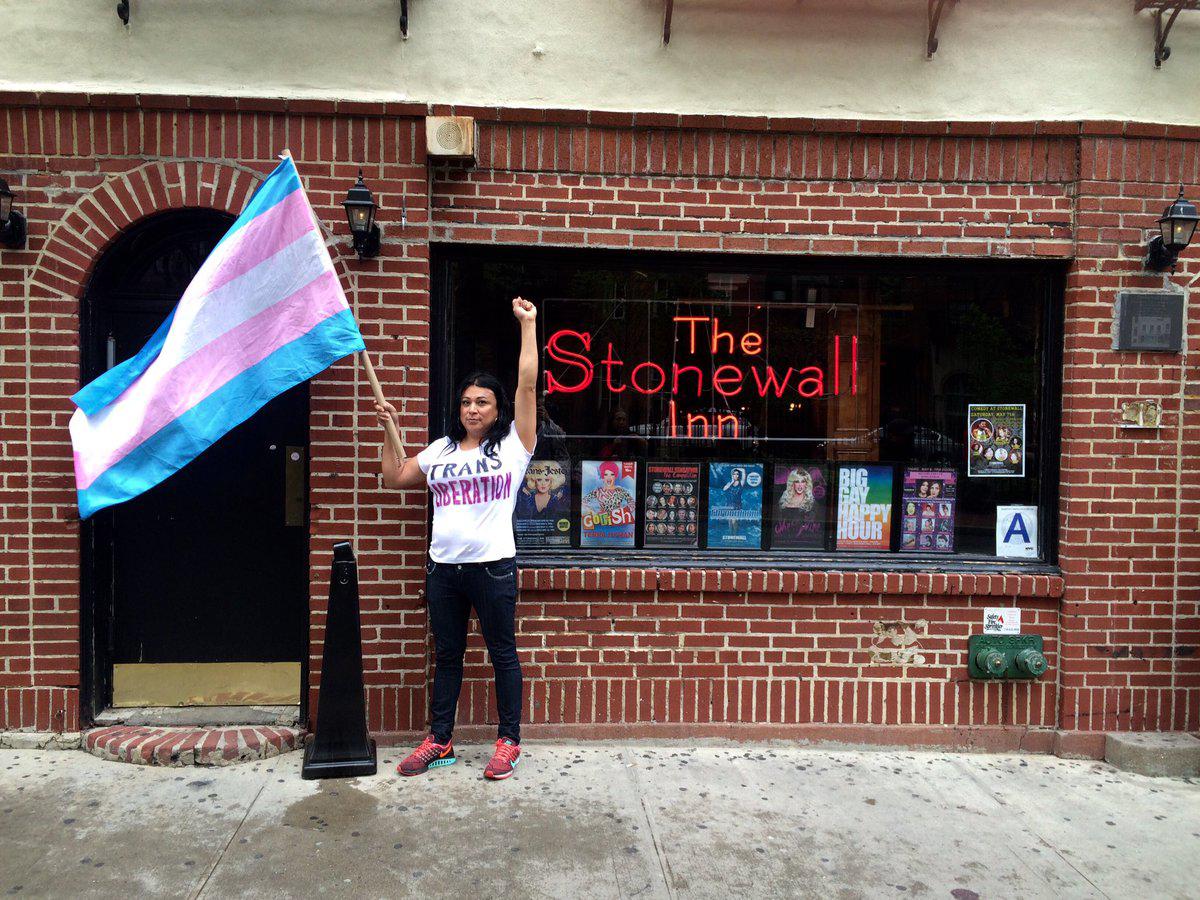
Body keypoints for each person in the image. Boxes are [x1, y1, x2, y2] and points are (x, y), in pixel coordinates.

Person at [374, 297, 538, 781]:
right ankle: (440, 739)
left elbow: (527, 382)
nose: (472, 408)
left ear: (496, 408)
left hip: (493, 568)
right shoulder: (442, 448)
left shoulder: (514, 446)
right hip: (443, 569)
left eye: (482, 402)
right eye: (466, 401)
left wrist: (528, 326)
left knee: (502, 653)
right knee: (446, 656)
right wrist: (388, 429)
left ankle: (509, 741)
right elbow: (397, 476)